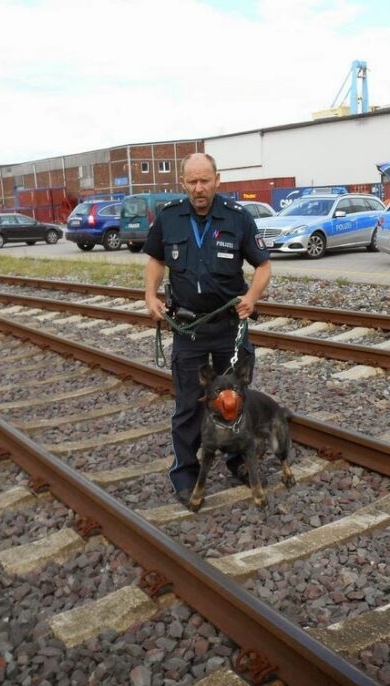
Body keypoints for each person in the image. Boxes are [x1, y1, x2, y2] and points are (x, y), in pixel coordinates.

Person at [143, 153, 271, 504]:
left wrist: (252, 296)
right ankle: (184, 473)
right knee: (188, 407)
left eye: (205, 180)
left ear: (217, 179)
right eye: (192, 182)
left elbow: (263, 266)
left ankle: (237, 461)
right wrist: (150, 295)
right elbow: (155, 260)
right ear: (183, 183)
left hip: (230, 331)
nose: (199, 188)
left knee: (234, 403)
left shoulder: (238, 218)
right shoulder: (168, 219)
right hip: (189, 331)